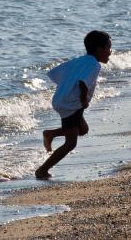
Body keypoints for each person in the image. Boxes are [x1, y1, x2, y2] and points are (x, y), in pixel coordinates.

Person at [35, 30, 112, 179]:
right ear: (99, 49)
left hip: (62, 99)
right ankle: (42, 170)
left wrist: (67, 88)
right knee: (71, 143)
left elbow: (55, 73)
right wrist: (83, 100)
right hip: (72, 104)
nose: (110, 52)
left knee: (82, 129)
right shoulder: (95, 65)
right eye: (108, 47)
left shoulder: (79, 60)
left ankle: (51, 133)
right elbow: (83, 82)